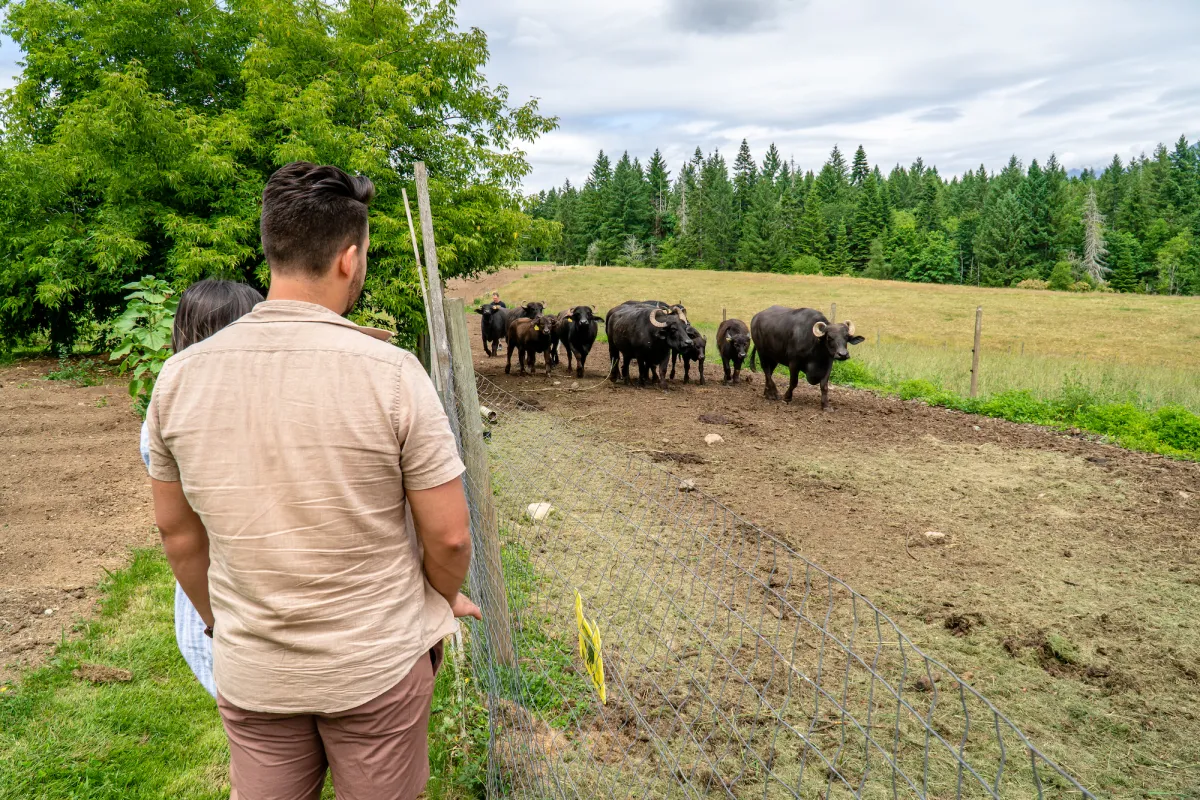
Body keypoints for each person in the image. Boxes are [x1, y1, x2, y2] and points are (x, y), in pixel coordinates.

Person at [145, 162, 480, 800]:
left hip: (255, 675)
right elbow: (451, 538)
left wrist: (226, 626)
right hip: (375, 668)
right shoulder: (393, 374)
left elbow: (177, 535)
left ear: (271, 248)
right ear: (349, 260)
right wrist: (437, 600)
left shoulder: (179, 379)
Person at [138, 278, 264, 800]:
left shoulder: (166, 414)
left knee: (257, 742)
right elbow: (182, 530)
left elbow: (177, 531)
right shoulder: (188, 421)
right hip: (224, 595)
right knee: (259, 743)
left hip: (210, 599)